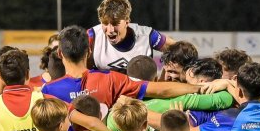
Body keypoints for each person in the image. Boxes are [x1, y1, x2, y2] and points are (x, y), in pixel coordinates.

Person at [43, 26, 228, 110]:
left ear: (60, 54)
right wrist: (202, 87)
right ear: (88, 50)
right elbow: (160, 90)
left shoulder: (47, 91)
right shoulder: (110, 79)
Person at [88, 0, 175, 72]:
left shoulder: (146, 36)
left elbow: (180, 49)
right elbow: (78, 73)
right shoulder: (92, 37)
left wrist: (165, 73)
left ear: (127, 22)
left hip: (140, 90)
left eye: (115, 23)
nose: (110, 30)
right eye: (105, 23)